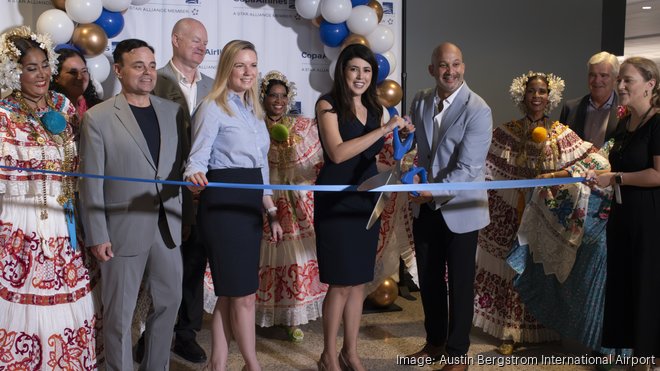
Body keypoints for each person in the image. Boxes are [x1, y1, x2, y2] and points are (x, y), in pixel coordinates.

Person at [78, 38, 190, 371]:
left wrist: (186, 217)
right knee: (119, 315)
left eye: (152, 65)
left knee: (170, 303)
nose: (147, 73)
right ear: (119, 70)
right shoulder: (98, 118)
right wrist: (97, 234)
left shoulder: (172, 113)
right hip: (122, 229)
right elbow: (90, 181)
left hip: (167, 226)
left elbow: (179, 169)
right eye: (138, 65)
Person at [472, 71, 600, 354]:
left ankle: (543, 328)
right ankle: (509, 331)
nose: (537, 97)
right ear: (522, 95)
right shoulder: (507, 132)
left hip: (545, 212)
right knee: (511, 267)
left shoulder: (561, 134)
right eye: (532, 91)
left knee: (537, 266)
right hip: (513, 210)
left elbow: (595, 159)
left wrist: (563, 174)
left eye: (542, 91)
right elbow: (481, 163)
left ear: (550, 96)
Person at [0, 26, 99, 369]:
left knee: (67, 301)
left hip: (63, 220)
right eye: (30, 68)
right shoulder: (3, 115)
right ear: (12, 72)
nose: (42, 74)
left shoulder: (63, 104)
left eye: (44, 65)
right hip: (21, 221)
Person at [184, 39, 283, 371]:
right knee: (242, 294)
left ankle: (219, 364)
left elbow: (261, 168)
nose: (248, 72)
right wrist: (195, 173)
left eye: (253, 65)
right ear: (227, 67)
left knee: (231, 293)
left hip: (250, 207)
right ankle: (252, 364)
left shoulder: (254, 111)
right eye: (240, 65)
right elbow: (196, 160)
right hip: (224, 208)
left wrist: (271, 210)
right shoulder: (213, 106)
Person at [314, 43, 413, 371]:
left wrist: (401, 149)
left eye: (367, 70)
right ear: (343, 71)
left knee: (358, 281)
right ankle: (328, 355)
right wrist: (384, 130)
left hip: (366, 200)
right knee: (340, 282)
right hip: (336, 202)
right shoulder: (327, 104)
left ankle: (350, 352)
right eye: (354, 69)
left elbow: (373, 158)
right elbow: (339, 153)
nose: (360, 76)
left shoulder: (376, 109)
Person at [406, 42, 492, 371]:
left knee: (459, 283)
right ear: (432, 70)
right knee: (428, 279)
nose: (450, 71)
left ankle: (457, 354)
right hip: (425, 208)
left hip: (461, 209)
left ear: (464, 67)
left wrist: (428, 192)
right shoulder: (421, 99)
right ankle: (435, 343)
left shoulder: (478, 109)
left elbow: (469, 170)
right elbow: (417, 151)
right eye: (443, 65)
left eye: (455, 64)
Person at [137, 16, 213, 364]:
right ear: (175, 40)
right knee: (157, 264)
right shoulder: (154, 80)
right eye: (194, 39)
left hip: (204, 188)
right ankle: (148, 333)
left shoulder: (215, 84)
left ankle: (186, 333)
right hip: (163, 187)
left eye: (204, 42)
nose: (200, 46)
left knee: (194, 262)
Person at [591, 56, 660, 362]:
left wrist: (616, 178)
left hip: (649, 220)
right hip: (622, 219)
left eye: (627, 80)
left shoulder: (657, 123)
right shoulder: (625, 123)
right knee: (625, 289)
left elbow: (658, 174)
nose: (619, 85)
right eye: (619, 80)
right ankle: (634, 357)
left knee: (646, 291)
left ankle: (649, 358)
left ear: (650, 85)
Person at [256, 70, 327, 342]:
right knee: (262, 259)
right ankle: (257, 315)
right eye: (273, 96)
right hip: (263, 197)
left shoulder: (300, 128)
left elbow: (315, 159)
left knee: (294, 260)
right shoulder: (255, 125)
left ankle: (291, 318)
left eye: (283, 97)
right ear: (264, 98)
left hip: (294, 204)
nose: (278, 101)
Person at [560, 51, 619, 147]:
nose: (597, 80)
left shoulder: (626, 112)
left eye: (603, 75)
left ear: (615, 79)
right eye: (592, 75)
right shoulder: (570, 108)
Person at [50, 48, 102, 118]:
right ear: (56, 77)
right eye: (73, 72)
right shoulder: (48, 109)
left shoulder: (99, 107)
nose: (80, 77)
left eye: (84, 71)